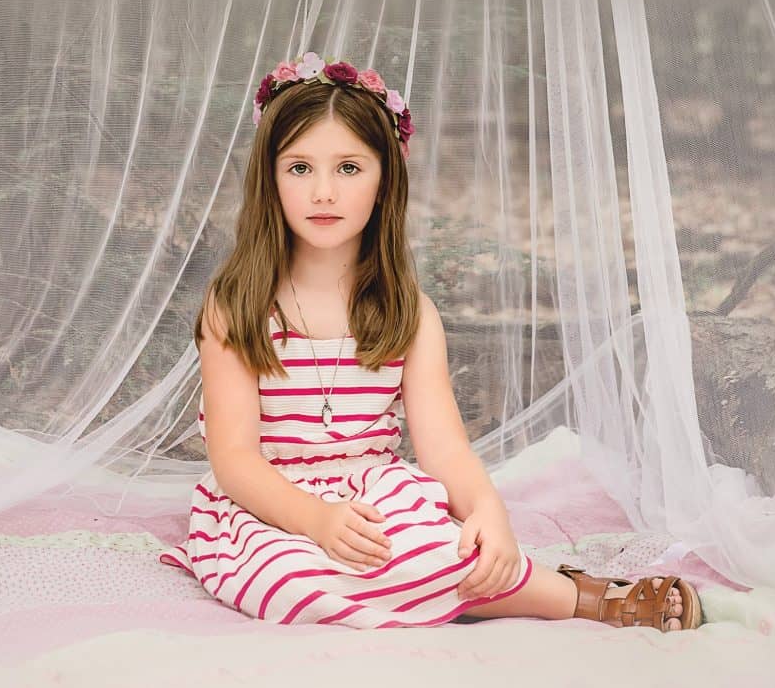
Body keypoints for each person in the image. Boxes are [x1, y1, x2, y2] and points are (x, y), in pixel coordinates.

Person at [158, 52, 703, 631]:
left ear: (384, 182)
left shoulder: (409, 313)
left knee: (440, 550)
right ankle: (502, 593)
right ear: (269, 179)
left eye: (349, 168)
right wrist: (316, 520)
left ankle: (583, 597)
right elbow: (235, 458)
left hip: (372, 487)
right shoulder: (236, 306)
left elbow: (443, 451)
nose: (323, 192)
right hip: (269, 502)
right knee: (291, 581)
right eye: (299, 168)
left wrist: (489, 510)